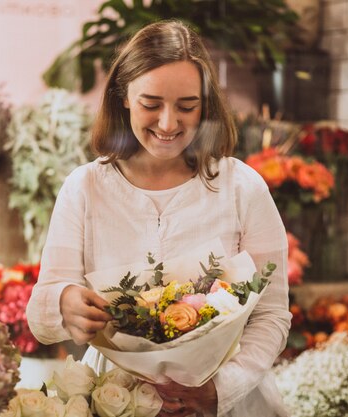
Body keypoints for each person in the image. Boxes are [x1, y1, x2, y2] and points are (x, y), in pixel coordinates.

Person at [26, 20, 291, 417]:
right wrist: (63, 303)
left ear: (206, 104)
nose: (169, 123)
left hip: (230, 402)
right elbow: (40, 316)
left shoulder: (241, 187)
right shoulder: (85, 188)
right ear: (124, 98)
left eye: (187, 106)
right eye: (151, 104)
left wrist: (222, 390)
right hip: (114, 398)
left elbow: (272, 315)